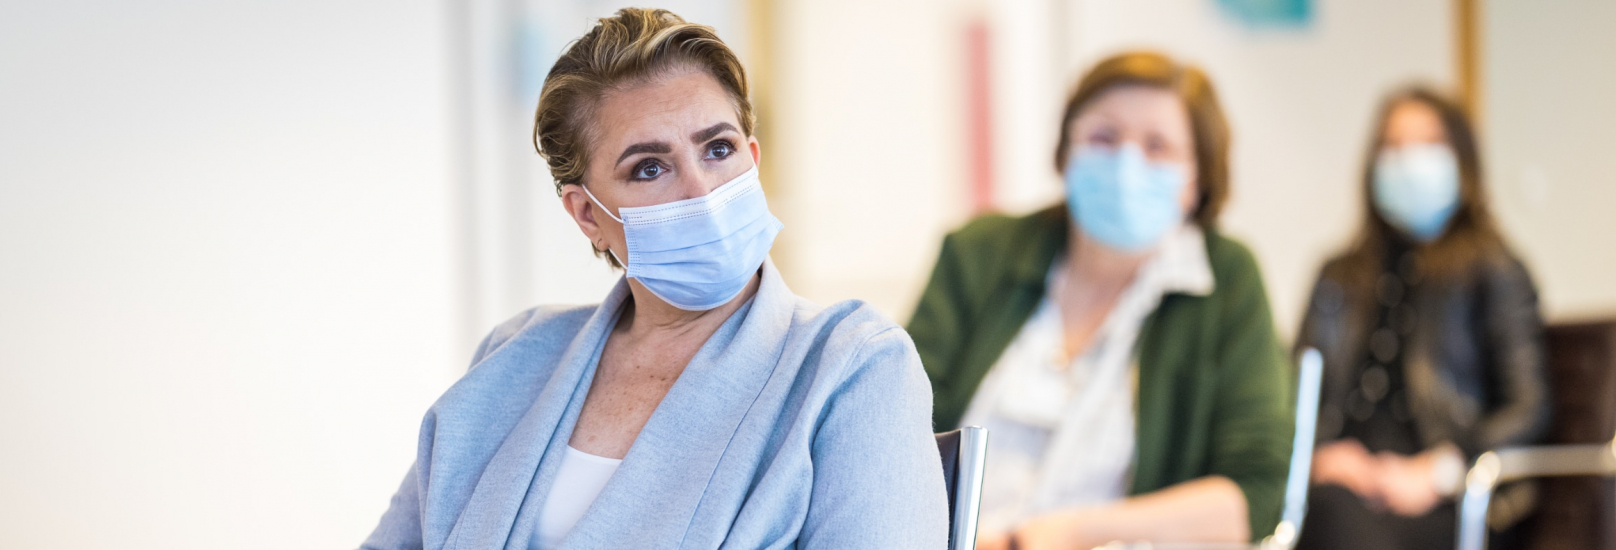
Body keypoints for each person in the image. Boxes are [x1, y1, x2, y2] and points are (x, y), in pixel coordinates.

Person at [361, 9, 947, 549]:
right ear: (588, 214)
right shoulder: (513, 358)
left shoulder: (852, 367)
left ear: (753, 158)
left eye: (718, 148)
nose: (701, 190)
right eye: (649, 167)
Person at [908, 51, 1293, 550]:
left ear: (1197, 179)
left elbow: (1255, 494)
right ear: (1067, 151)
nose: (1126, 163)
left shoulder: (1226, 280)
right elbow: (890, 426)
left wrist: (1069, 533)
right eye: (1104, 137)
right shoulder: (980, 252)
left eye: (1158, 147)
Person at [1293, 87, 1549, 550]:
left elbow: (1528, 407)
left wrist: (1441, 470)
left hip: (1448, 498)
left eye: (1428, 144)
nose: (1409, 161)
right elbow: (1295, 394)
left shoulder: (1493, 270)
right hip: (1342, 486)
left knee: (1328, 524)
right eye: (1393, 146)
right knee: (1312, 510)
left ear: (1462, 161)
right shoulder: (1338, 276)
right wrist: (1319, 457)